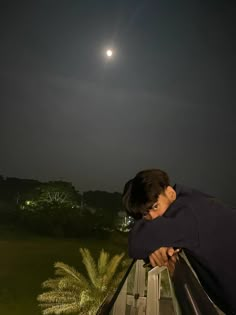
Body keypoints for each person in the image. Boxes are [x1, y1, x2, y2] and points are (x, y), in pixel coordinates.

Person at [122, 169, 236, 315]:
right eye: (145, 214)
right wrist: (161, 242)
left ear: (170, 192)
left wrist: (156, 240)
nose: (154, 218)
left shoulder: (187, 214)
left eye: (155, 206)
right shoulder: (192, 202)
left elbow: (135, 243)